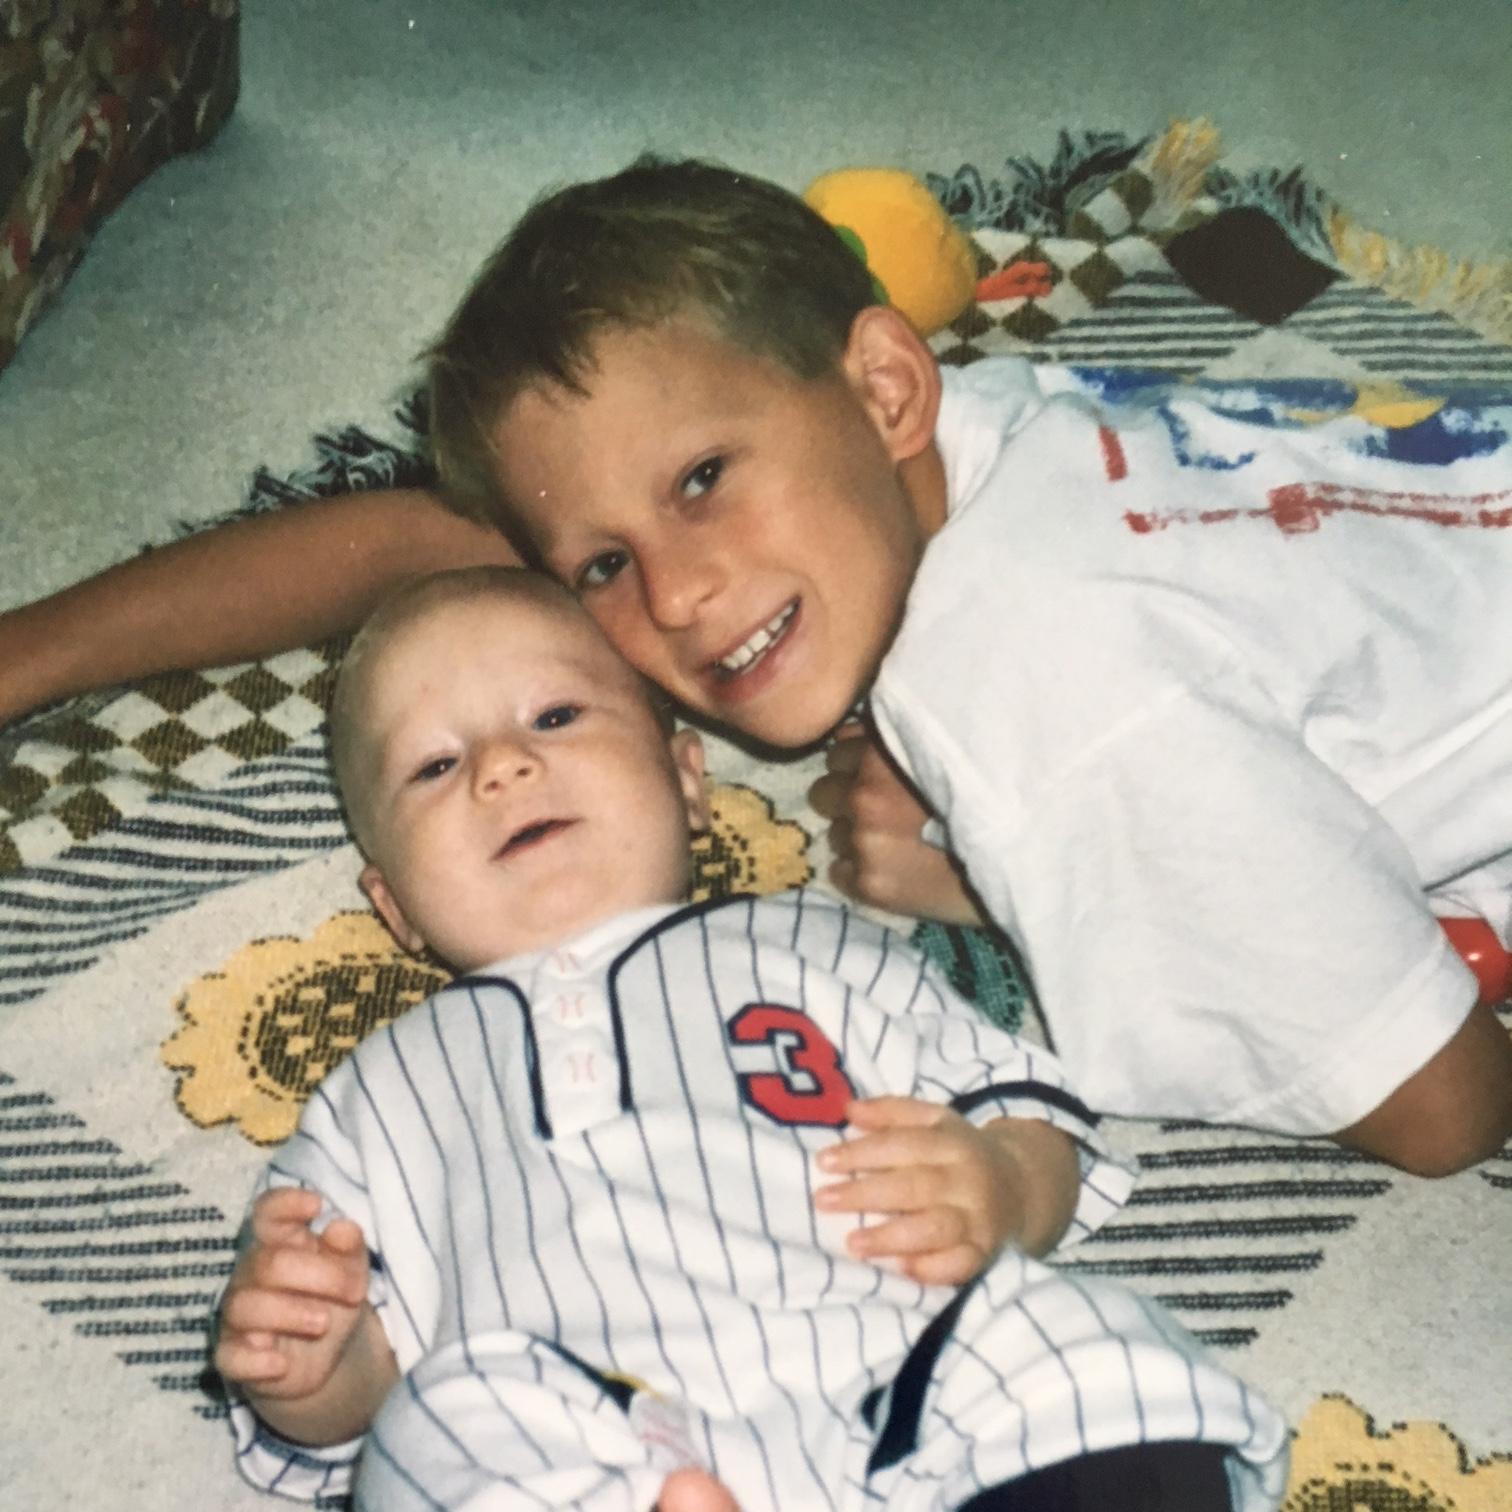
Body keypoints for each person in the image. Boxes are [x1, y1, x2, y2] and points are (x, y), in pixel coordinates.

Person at [6, 157, 1510, 1175]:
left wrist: (1002, 878)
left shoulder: (1053, 695)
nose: (675, 595)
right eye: (602, 566)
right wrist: (25, 657)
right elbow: (414, 538)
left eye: (702, 480)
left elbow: (1442, 1107)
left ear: (886, 385)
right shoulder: (963, 436)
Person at [213, 566, 1288, 1511]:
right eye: (435, 767)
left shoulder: (813, 942)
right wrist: (315, 1364)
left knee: (1078, 1347)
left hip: (896, 1391)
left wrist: (1003, 1185)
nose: (502, 767)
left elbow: (1018, 1104)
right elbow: (364, 1379)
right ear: (393, 905)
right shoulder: (377, 1091)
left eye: (554, 716)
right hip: (603, 1454)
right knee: (442, 1424)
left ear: (687, 779)